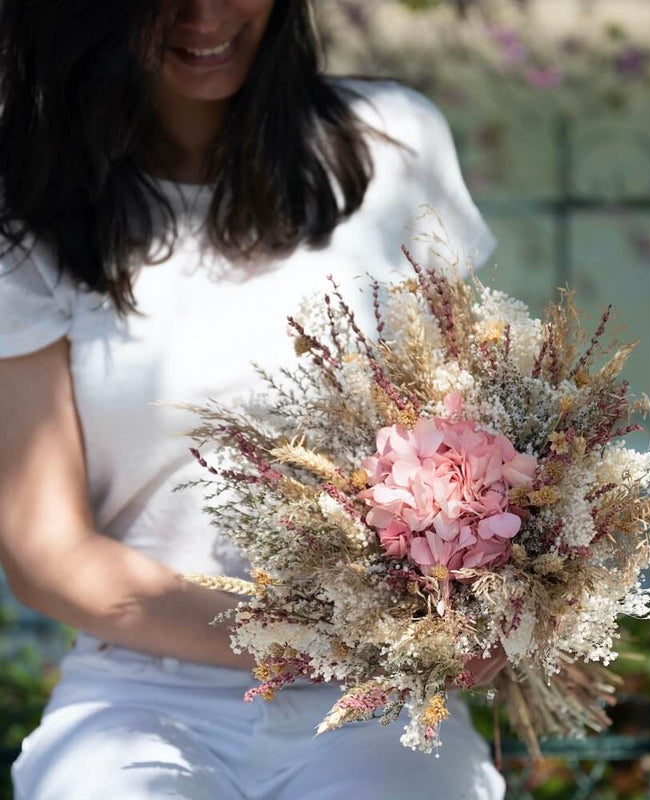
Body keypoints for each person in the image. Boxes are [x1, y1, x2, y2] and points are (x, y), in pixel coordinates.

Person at [0, 1, 506, 798]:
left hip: (379, 710)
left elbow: (479, 433)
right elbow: (45, 554)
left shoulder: (395, 141)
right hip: (141, 697)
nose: (205, 12)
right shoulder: (31, 214)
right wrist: (323, 637)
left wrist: (496, 600)